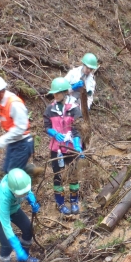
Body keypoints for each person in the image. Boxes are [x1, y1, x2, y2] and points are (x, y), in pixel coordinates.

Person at [0, 75, 42, 178]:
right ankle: (30, 169)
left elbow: (21, 127)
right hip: (13, 141)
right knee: (6, 169)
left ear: (0, 92)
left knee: (12, 174)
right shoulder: (2, 101)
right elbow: (5, 115)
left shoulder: (15, 104)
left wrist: (4, 139)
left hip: (22, 143)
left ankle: (25, 184)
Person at [0, 168, 42, 262]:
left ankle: (25, 256)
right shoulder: (4, 196)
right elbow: (5, 224)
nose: (23, 194)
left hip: (13, 208)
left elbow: (27, 191)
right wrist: (15, 244)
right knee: (7, 244)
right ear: (12, 190)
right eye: (21, 193)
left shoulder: (21, 184)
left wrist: (31, 199)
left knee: (28, 230)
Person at [43, 77, 84, 215]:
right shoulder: (50, 109)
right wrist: (53, 133)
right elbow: (46, 126)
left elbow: (78, 129)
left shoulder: (74, 109)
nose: (55, 95)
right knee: (58, 177)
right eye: (54, 93)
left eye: (57, 93)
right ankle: (60, 203)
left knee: (73, 175)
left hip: (71, 148)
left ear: (65, 92)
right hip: (56, 149)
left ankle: (74, 201)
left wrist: (77, 145)